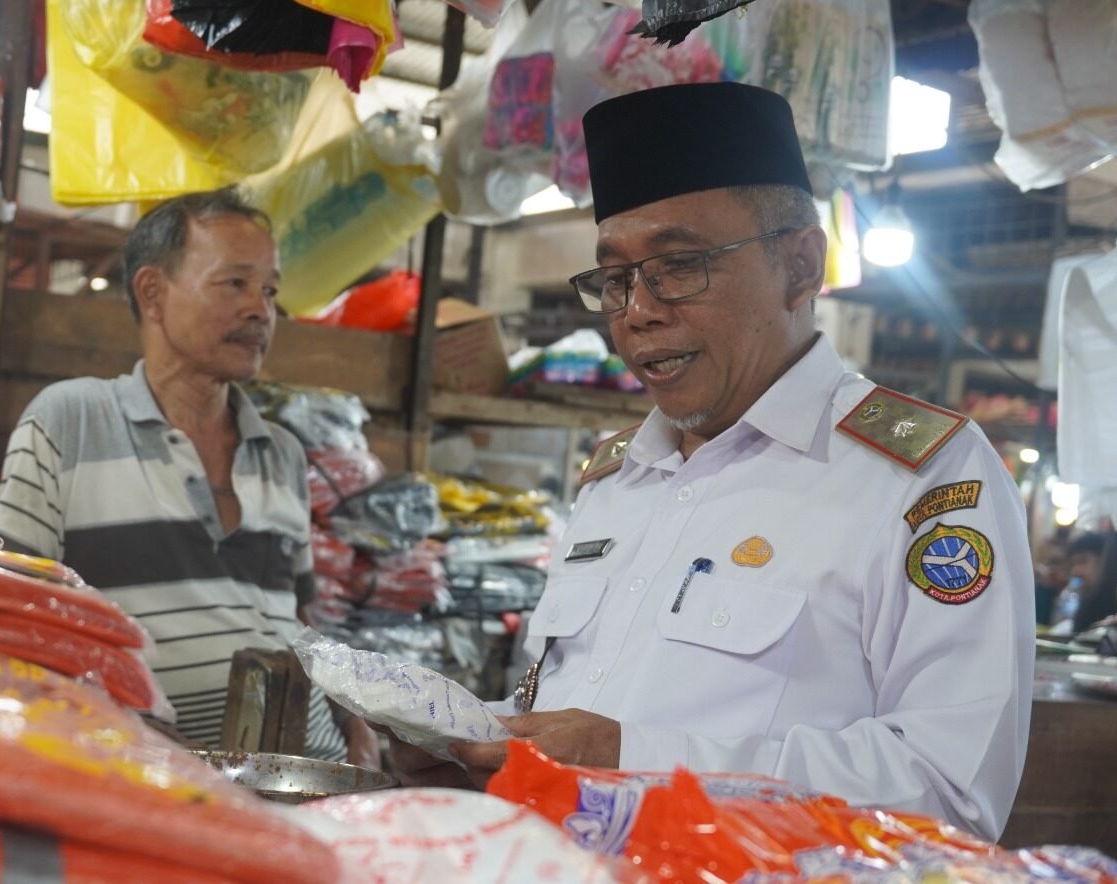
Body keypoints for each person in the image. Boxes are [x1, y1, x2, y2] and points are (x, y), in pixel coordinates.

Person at [389, 83, 1033, 841]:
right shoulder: (616, 480)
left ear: (799, 266)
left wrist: (632, 762)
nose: (638, 310)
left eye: (679, 266)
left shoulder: (921, 477)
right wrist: (471, 743)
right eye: (617, 278)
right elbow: (573, 703)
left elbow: (949, 796)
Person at [0, 188, 376, 767]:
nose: (260, 309)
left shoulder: (283, 454)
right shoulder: (70, 422)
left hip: (306, 769)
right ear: (152, 292)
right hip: (144, 773)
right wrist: (134, 734)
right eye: (235, 284)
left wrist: (355, 719)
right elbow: (13, 617)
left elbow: (294, 617)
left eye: (269, 290)